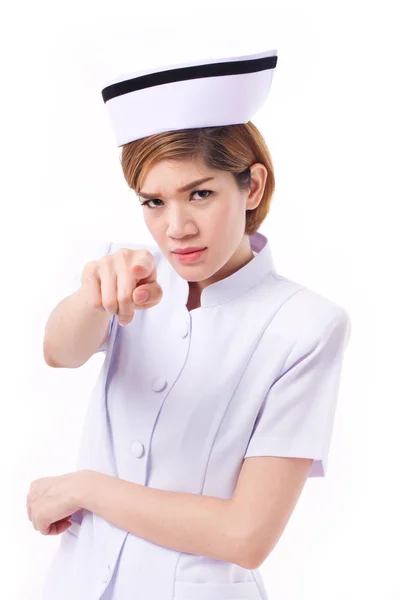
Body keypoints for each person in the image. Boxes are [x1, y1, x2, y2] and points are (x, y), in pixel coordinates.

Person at [39, 48, 351, 600]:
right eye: (154, 201)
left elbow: (245, 535)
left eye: (200, 194)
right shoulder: (128, 272)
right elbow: (59, 352)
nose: (176, 227)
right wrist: (93, 296)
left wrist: (85, 489)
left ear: (251, 187)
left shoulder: (306, 326)